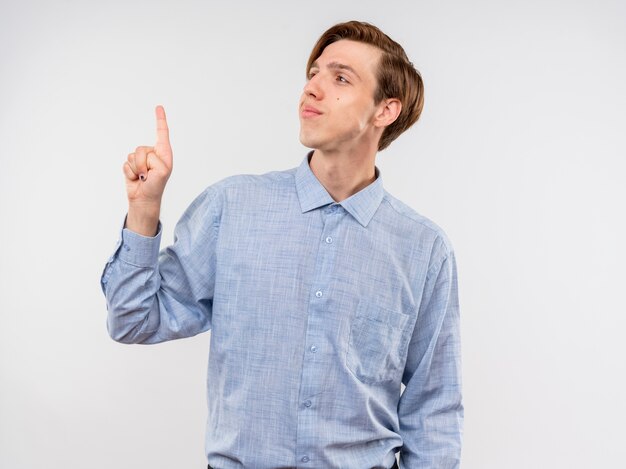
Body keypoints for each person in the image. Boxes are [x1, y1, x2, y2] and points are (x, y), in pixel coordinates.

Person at [100, 20, 463, 469]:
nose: (311, 88)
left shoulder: (423, 249)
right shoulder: (231, 207)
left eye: (340, 77)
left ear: (385, 111)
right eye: (313, 73)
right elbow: (132, 320)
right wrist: (143, 209)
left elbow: (434, 409)